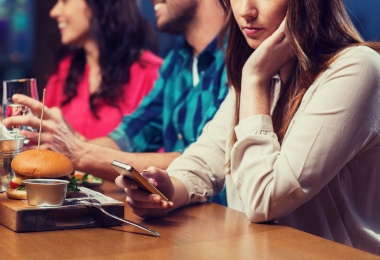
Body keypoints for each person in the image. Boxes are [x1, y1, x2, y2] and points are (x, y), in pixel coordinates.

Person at [114, 0, 380, 255]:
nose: (245, 11)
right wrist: (166, 190)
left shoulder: (356, 68)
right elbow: (205, 159)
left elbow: (264, 200)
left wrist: (254, 80)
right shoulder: (264, 70)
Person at [2, 0, 228, 189]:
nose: (54, 11)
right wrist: (67, 144)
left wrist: (77, 151)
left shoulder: (238, 60)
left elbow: (207, 160)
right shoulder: (177, 62)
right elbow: (128, 137)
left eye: (65, 0)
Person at [44, 0, 162, 140]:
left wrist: (76, 145)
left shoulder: (153, 73)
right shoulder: (64, 70)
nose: (54, 12)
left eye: (65, 1)